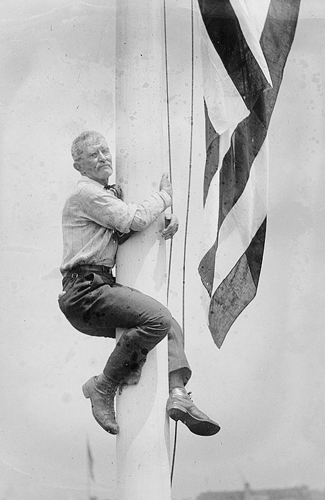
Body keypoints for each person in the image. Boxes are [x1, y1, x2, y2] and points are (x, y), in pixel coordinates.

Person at [58, 130, 220, 437]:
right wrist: (164, 197)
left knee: (169, 324)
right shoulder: (86, 193)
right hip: (85, 291)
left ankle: (178, 394)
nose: (103, 157)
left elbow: (124, 231)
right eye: (94, 154)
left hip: (98, 286)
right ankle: (102, 387)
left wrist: (164, 218)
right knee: (157, 319)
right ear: (79, 165)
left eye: (105, 151)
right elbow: (132, 220)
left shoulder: (101, 196)